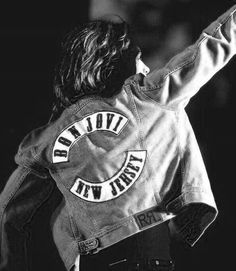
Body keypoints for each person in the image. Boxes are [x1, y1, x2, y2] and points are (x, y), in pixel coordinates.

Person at [1, 4, 236, 271]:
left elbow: (9, 209)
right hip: (147, 258)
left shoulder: (50, 134)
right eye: (138, 57)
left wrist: (11, 264)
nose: (145, 65)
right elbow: (215, 44)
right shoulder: (149, 96)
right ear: (119, 59)